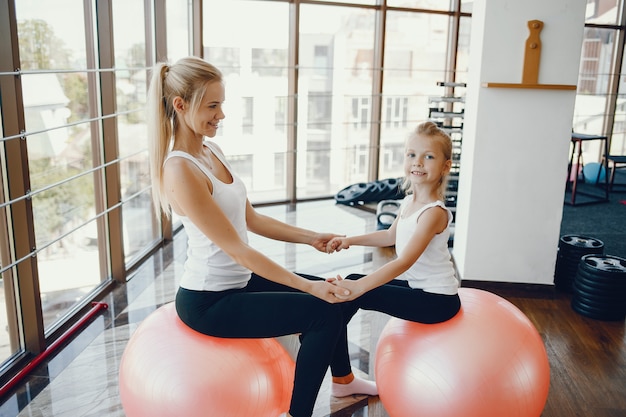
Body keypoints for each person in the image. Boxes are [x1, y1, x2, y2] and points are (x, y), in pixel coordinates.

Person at [147, 56, 376, 417]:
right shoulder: (180, 169)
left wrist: (311, 236)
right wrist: (306, 286)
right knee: (323, 312)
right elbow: (238, 249)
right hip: (209, 301)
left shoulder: (210, 150)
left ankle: (344, 384)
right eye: (212, 105)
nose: (221, 115)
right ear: (180, 105)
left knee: (338, 296)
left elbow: (249, 217)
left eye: (221, 104)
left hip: (239, 283)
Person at [326, 121, 461, 326]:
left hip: (438, 301)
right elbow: (389, 236)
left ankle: (326, 345)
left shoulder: (434, 213)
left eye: (429, 156)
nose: (418, 162)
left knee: (355, 290)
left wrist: (359, 287)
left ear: (446, 166)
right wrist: (349, 241)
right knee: (352, 281)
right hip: (418, 288)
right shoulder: (409, 202)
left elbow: (404, 261)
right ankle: (331, 346)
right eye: (411, 154)